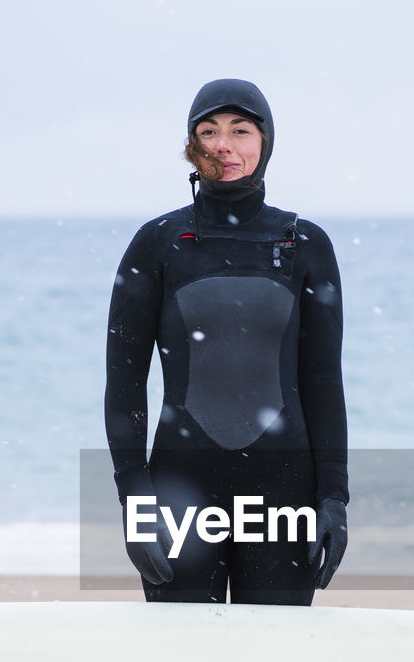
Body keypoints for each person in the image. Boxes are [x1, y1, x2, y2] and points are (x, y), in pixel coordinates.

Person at [104, 77, 348, 604]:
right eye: (209, 130)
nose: (224, 145)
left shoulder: (304, 245)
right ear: (192, 144)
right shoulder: (158, 243)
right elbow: (125, 381)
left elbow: (323, 381)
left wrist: (333, 497)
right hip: (179, 491)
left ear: (266, 141)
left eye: (241, 130)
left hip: (284, 491)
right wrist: (136, 499)